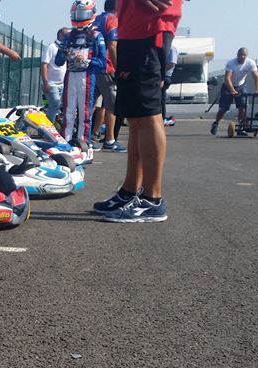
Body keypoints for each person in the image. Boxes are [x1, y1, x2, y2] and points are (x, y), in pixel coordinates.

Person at [94, 0, 182, 223]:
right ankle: (129, 191)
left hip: (151, 27)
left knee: (147, 113)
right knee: (135, 117)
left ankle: (152, 199)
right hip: (131, 29)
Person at [55, 0, 107, 147]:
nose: (79, 17)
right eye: (77, 14)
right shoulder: (68, 37)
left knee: (84, 112)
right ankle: (65, 141)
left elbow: (102, 62)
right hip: (70, 76)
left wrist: (86, 60)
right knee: (68, 111)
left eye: (82, 14)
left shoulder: (96, 36)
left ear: (91, 14)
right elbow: (58, 61)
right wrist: (65, 53)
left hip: (87, 77)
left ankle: (83, 142)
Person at [90, 0, 125, 151]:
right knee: (112, 105)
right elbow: (112, 45)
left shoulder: (96, 19)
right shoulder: (112, 19)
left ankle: (85, 137)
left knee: (91, 104)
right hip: (107, 67)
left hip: (94, 67)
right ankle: (110, 140)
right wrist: (118, 68)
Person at [210, 48, 258, 136]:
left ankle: (240, 127)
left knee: (242, 106)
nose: (242, 57)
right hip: (227, 86)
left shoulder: (250, 63)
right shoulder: (231, 63)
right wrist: (232, 90)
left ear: (246, 56)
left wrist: (257, 90)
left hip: (240, 85)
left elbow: (256, 76)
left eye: (244, 55)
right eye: (240, 55)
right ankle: (216, 123)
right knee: (224, 108)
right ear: (237, 55)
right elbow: (227, 78)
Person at [41, 28, 70, 125]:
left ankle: (54, 126)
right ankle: (47, 129)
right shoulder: (52, 47)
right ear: (60, 35)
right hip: (51, 83)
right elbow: (44, 64)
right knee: (55, 105)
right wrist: (45, 82)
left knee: (60, 107)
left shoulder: (65, 48)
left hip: (62, 84)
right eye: (67, 35)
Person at [162, 42, 178, 126]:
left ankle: (162, 118)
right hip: (159, 75)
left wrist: (160, 72)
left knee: (161, 99)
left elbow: (171, 63)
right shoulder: (161, 47)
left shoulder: (171, 48)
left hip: (165, 76)